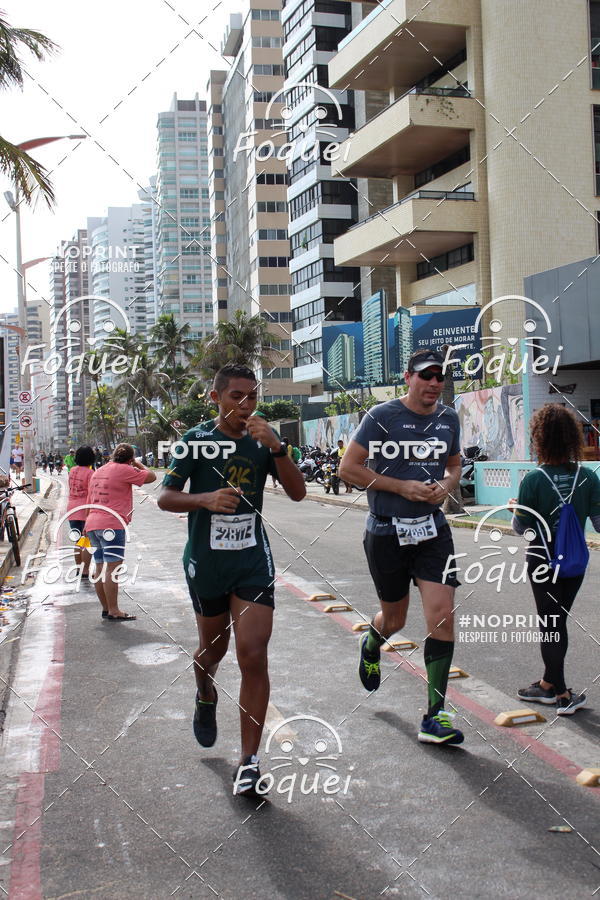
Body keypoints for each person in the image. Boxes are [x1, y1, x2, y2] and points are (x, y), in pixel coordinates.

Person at [158, 363, 305, 795]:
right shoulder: (195, 441)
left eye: (252, 396)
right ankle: (205, 691)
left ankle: (249, 762)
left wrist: (278, 447)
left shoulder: (264, 443)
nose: (245, 405)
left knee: (253, 653)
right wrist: (205, 498)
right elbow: (165, 497)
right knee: (213, 650)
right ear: (216, 397)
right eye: (236, 396)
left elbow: (297, 493)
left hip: (251, 562)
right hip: (207, 563)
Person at [339, 348, 464, 745]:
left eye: (439, 377)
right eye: (426, 376)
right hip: (386, 531)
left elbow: (455, 464)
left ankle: (435, 715)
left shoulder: (449, 419)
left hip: (432, 531)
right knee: (394, 620)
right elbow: (348, 468)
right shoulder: (382, 416)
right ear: (408, 377)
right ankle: (372, 641)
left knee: (443, 614)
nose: (433, 384)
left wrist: (446, 485)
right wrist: (402, 486)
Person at [510, 404, 600, 714]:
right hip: (574, 563)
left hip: (541, 561)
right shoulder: (589, 478)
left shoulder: (532, 481)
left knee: (551, 624)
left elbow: (521, 528)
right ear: (571, 438)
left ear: (540, 439)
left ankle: (561, 695)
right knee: (557, 620)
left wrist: (514, 510)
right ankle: (548, 683)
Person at [85, 443, 156, 620]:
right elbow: (152, 477)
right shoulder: (125, 469)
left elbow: (89, 499)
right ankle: (114, 610)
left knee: (100, 567)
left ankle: (106, 608)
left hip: (92, 523)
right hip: (112, 524)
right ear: (130, 459)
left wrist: (86, 527)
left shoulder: (98, 471)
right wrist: (138, 464)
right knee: (112, 569)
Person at [66, 446, 95, 579]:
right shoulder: (90, 473)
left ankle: (79, 569)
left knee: (78, 541)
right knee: (87, 541)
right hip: (85, 509)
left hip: (72, 509)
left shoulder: (72, 470)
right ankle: (85, 571)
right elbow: (92, 493)